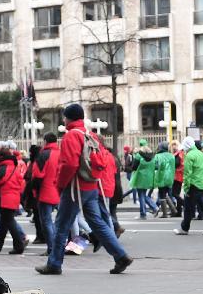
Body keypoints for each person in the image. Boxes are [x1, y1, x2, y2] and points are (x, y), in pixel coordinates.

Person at [36, 103, 133, 275]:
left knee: (61, 225)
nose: (64, 120)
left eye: (65, 117)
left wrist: (60, 185)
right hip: (91, 185)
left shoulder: (71, 136)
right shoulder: (91, 135)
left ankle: (54, 263)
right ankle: (121, 256)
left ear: (69, 118)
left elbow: (70, 164)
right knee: (98, 223)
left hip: (74, 188)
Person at [0, 144, 28, 255]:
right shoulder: (15, 167)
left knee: (9, 222)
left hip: (5, 199)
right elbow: (21, 183)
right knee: (5, 223)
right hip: (14, 198)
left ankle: (19, 245)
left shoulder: (2, 169)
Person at [174, 136, 203, 236]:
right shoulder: (201, 154)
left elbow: (187, 173)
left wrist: (186, 188)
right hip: (202, 184)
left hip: (193, 185)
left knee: (188, 208)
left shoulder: (189, 156)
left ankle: (184, 228)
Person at [31, 134, 61, 256]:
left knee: (47, 221)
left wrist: (34, 190)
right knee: (59, 222)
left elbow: (37, 175)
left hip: (45, 191)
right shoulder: (60, 153)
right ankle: (56, 247)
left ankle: (52, 249)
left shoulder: (44, 155)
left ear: (45, 141)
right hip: (58, 190)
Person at [129, 142, 158, 218]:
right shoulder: (152, 157)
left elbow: (134, 167)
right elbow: (156, 166)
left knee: (141, 195)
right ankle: (154, 207)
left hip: (140, 177)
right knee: (143, 194)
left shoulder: (139, 156)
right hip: (149, 177)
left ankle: (143, 213)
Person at [154, 141, 178, 217]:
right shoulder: (172, 156)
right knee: (166, 194)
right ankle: (174, 210)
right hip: (170, 178)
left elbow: (155, 166)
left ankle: (165, 213)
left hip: (161, 177)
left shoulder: (158, 156)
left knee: (162, 195)